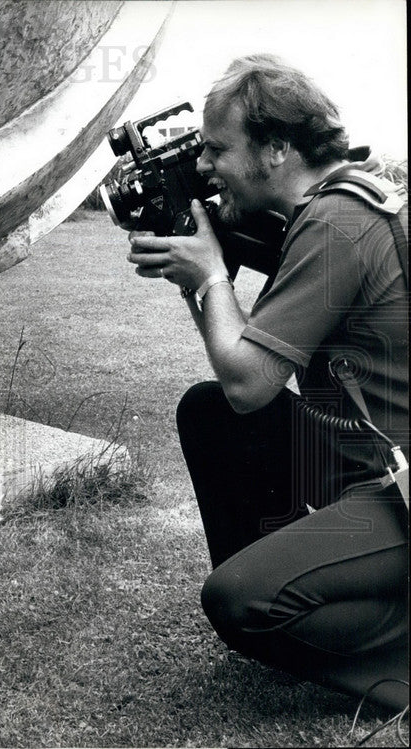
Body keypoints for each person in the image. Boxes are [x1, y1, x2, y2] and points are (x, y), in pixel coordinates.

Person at [127, 55, 408, 712]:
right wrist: (197, 264)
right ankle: (291, 600)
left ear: (276, 150)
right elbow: (233, 386)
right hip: (360, 464)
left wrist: (209, 277)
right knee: (209, 413)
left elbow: (252, 381)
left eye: (218, 150)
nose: (205, 167)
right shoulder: (329, 208)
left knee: (235, 599)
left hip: (396, 486)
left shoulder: (337, 225)